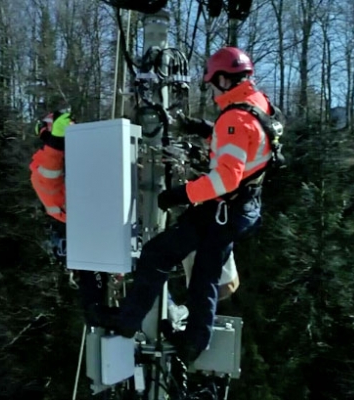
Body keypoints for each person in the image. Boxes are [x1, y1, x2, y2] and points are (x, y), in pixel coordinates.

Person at [98, 46, 273, 363]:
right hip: (243, 207)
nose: (211, 89)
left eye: (213, 83)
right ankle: (194, 341)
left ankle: (127, 322)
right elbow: (251, 143)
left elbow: (226, 179)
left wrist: (179, 194)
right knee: (205, 272)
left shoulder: (233, 119)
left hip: (222, 207)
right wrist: (207, 130)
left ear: (222, 78)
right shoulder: (257, 104)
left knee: (158, 253)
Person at [29, 110, 109, 324]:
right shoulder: (42, 165)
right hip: (78, 227)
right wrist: (56, 141)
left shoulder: (76, 156)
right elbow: (50, 174)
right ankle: (97, 315)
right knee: (94, 282)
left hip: (95, 221)